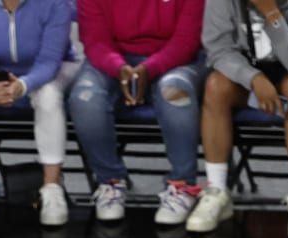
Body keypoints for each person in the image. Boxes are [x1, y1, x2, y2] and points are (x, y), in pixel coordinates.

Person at [186, 0, 288, 238]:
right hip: (246, 74)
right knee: (215, 86)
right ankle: (217, 191)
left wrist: (271, 14)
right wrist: (253, 78)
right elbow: (219, 50)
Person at [68, 0, 206, 226]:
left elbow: (186, 41)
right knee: (85, 98)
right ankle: (110, 181)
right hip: (114, 60)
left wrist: (149, 69)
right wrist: (119, 69)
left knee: (175, 92)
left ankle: (182, 185)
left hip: (176, 59)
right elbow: (95, 41)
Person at [0, 0, 79, 226]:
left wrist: (22, 85)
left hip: (57, 67)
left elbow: (49, 61)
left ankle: (51, 187)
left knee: (48, 96)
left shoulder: (55, 3)